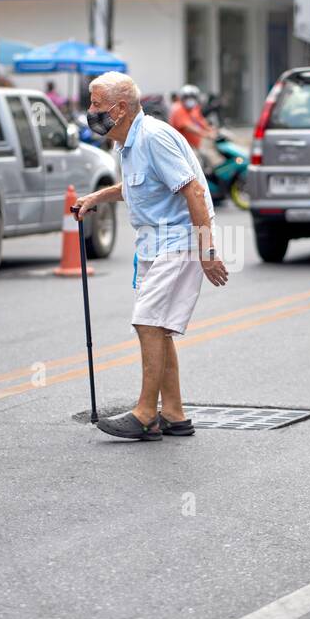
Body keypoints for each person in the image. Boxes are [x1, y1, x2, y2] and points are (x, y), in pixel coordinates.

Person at [74, 72, 228, 441]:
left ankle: (145, 414)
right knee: (158, 328)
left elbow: (191, 191)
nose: (90, 111)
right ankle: (174, 414)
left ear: (120, 108)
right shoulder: (126, 141)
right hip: (153, 244)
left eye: (96, 104)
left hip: (179, 240)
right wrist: (96, 198)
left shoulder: (155, 137)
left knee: (147, 321)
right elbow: (139, 187)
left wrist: (207, 252)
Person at [169, 84, 218, 167]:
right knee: (196, 167)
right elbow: (188, 127)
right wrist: (206, 134)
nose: (190, 100)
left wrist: (211, 129)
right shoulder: (178, 109)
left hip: (194, 146)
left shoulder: (194, 108)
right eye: (187, 97)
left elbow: (200, 121)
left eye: (192, 97)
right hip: (183, 148)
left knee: (208, 161)